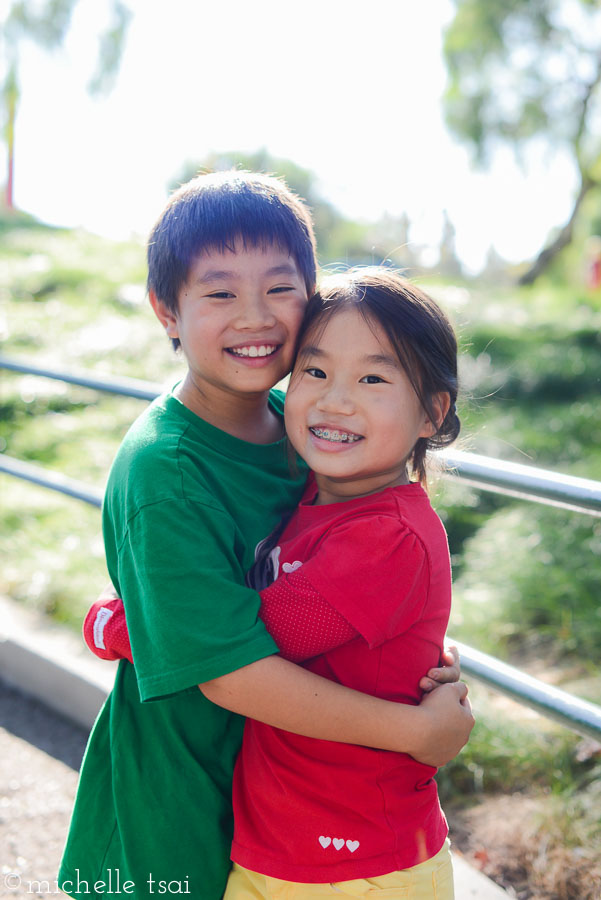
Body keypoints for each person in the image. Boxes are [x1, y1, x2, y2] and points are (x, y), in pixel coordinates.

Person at [61, 171, 473, 900]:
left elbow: (346, 575)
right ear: (168, 311)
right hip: (184, 785)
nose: (253, 316)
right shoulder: (167, 472)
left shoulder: (308, 423)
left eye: (278, 288)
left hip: (296, 807)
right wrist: (417, 732)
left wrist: (409, 642)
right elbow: (230, 666)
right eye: (219, 293)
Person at [224, 268, 463, 898]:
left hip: (360, 866)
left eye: (374, 379)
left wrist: (121, 624)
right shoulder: (316, 496)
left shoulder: (385, 538)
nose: (335, 401)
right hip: (290, 846)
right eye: (315, 371)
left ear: (431, 413)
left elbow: (235, 643)